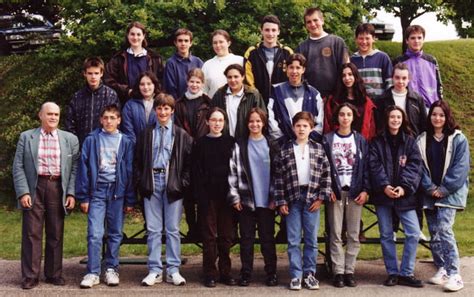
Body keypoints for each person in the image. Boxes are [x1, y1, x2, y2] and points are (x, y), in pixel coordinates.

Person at [13, 102, 79, 289]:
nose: (53, 118)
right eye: (49, 114)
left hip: (58, 187)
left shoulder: (70, 139)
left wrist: (71, 193)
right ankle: (30, 276)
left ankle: (53, 274)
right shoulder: (27, 137)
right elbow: (18, 166)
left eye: (56, 114)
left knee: (55, 232)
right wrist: (23, 191)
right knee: (31, 232)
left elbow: (74, 169)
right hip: (35, 186)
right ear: (40, 115)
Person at [135, 93, 193, 287]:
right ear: (155, 110)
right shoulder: (146, 133)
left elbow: (188, 164)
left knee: (173, 229)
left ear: (172, 111)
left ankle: (174, 270)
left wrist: (181, 183)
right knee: (153, 229)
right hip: (152, 182)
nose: (162, 112)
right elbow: (137, 162)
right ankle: (154, 270)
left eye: (166, 108)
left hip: (172, 184)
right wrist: (141, 180)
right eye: (159, 108)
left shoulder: (181, 134)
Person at [76, 105, 135, 288]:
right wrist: (84, 197)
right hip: (97, 192)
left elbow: (130, 171)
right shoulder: (92, 140)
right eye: (106, 118)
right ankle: (92, 272)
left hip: (118, 192)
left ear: (119, 120)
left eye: (113, 118)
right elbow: (83, 169)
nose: (109, 121)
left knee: (115, 233)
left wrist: (130, 198)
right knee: (95, 233)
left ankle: (111, 269)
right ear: (101, 120)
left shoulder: (125, 141)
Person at [274, 111, 331, 291]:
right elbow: (279, 178)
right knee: (293, 239)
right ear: (293, 127)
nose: (301, 129)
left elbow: (326, 174)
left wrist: (321, 197)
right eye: (298, 125)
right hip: (292, 197)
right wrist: (281, 201)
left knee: (311, 240)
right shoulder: (285, 149)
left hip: (312, 197)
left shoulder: (318, 148)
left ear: (311, 128)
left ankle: (309, 274)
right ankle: (296, 275)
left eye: (305, 126)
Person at [369, 105, 424, 288]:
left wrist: (404, 187)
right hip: (383, 196)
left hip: (405, 196)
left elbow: (415, 166)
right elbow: (374, 165)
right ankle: (392, 272)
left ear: (403, 120)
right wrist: (384, 185)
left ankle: (406, 272)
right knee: (386, 234)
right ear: (387, 119)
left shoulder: (409, 142)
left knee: (413, 232)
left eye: (398, 117)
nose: (395, 120)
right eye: (392, 117)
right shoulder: (376, 142)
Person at [417, 100, 470, 292]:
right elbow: (419, 168)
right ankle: (442, 269)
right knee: (434, 232)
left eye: (441, 115)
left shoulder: (458, 139)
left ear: (447, 117)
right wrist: (430, 188)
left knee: (444, 229)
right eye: (434, 114)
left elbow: (461, 168)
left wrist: (444, 189)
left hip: (450, 194)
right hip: (430, 193)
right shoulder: (422, 139)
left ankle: (455, 274)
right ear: (429, 116)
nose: (437, 118)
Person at [228, 107, 278, 287]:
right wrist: (235, 198)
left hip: (267, 202)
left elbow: (277, 174)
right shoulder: (240, 145)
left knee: (267, 239)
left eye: (258, 121)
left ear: (264, 123)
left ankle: (271, 272)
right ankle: (246, 273)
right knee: (246, 240)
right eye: (251, 121)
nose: (254, 124)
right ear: (246, 123)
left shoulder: (271, 144)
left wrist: (275, 198)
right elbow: (233, 173)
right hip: (246, 200)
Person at [322, 103, 369, 288]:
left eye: (349, 114)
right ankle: (338, 271)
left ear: (353, 117)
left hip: (355, 191)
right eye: (342, 114)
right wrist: (328, 189)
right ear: (337, 117)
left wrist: (365, 190)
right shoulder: (328, 139)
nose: (345, 118)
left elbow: (366, 168)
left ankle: (350, 270)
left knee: (353, 233)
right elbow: (324, 167)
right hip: (336, 192)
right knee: (335, 233)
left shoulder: (360, 140)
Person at [192, 107, 236, 287]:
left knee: (226, 236)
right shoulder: (200, 143)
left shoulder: (231, 142)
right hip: (207, 197)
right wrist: (201, 196)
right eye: (214, 120)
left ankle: (225, 271)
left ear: (224, 123)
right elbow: (196, 172)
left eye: (220, 120)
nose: (217, 123)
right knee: (209, 236)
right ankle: (210, 272)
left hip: (226, 196)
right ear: (207, 122)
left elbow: (236, 169)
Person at [174, 68, 211, 239]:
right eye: (192, 81)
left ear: (202, 84)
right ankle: (192, 228)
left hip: (204, 152)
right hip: (185, 151)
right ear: (187, 82)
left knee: (203, 194)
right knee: (187, 193)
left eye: (198, 82)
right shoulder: (178, 103)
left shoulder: (209, 103)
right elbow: (177, 125)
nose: (194, 85)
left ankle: (203, 228)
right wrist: (188, 142)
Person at [104, 21, 164, 106]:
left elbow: (162, 80)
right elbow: (108, 80)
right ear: (128, 36)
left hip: (151, 104)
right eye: (132, 34)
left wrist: (153, 93)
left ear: (143, 36)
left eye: (138, 34)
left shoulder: (155, 58)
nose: (135, 37)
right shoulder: (118, 58)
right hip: (126, 103)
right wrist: (127, 91)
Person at [268, 53, 324, 142]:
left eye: (298, 68)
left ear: (303, 70)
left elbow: (320, 121)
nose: (294, 71)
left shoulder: (313, 93)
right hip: (284, 144)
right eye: (291, 67)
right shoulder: (277, 91)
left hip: (308, 143)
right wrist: (281, 139)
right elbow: (270, 117)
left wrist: (309, 139)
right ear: (286, 69)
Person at [296, 7, 349, 98]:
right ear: (305, 25)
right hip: (310, 97)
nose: (312, 24)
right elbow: (298, 75)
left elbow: (346, 69)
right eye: (309, 22)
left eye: (315, 20)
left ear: (322, 20)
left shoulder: (337, 42)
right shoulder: (302, 47)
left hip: (335, 97)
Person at [66, 57, 120, 146]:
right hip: (82, 146)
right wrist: (76, 144)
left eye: (96, 73)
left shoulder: (110, 95)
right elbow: (70, 123)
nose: (93, 77)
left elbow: (116, 122)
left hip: (105, 146)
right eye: (90, 73)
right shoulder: (77, 96)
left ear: (101, 73)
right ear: (85, 74)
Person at [244, 15, 293, 105]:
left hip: (282, 101)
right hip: (258, 102)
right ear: (261, 31)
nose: (270, 34)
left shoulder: (287, 52)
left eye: (273, 30)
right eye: (267, 30)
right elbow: (248, 79)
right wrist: (256, 97)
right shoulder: (251, 52)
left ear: (278, 32)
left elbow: (293, 76)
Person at [211, 64, 266, 139]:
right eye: (229, 77)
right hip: (224, 140)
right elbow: (212, 116)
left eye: (236, 76)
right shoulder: (219, 94)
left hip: (247, 140)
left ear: (243, 77)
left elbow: (262, 117)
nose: (233, 80)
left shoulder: (253, 94)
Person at [393, 25, 443, 109]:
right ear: (406, 40)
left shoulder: (432, 60)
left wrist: (440, 104)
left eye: (419, 38)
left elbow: (439, 85)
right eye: (412, 38)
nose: (416, 41)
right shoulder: (399, 61)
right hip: (408, 108)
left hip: (430, 108)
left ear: (423, 40)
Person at [324, 62, 377, 141]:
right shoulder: (333, 100)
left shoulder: (365, 101)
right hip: (338, 143)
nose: (347, 78)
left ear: (355, 76)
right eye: (343, 75)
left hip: (361, 143)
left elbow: (371, 128)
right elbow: (328, 125)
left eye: (350, 74)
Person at [375, 63, 427, 136]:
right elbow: (378, 124)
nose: (400, 81)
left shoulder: (417, 99)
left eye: (404, 78)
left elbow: (424, 123)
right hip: (388, 142)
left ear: (409, 79)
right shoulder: (382, 99)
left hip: (412, 141)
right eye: (397, 77)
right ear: (392, 78)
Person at [350, 23, 393, 98]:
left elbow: (389, 82)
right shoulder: (352, 60)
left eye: (367, 38)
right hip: (358, 103)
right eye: (361, 38)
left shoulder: (382, 57)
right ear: (356, 39)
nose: (364, 42)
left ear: (373, 39)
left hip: (379, 104)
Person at [163, 28, 204, 100]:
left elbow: (203, 85)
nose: (183, 43)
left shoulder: (198, 62)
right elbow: (170, 88)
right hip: (178, 104)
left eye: (186, 41)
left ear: (190, 43)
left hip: (197, 103)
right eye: (180, 41)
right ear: (175, 43)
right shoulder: (171, 63)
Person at [202, 30, 243, 98]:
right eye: (215, 43)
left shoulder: (240, 61)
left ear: (228, 43)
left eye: (221, 42)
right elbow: (204, 90)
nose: (218, 45)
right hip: (214, 106)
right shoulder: (207, 65)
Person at [121, 71, 159, 144]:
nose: (146, 87)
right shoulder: (129, 105)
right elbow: (128, 131)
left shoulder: (162, 104)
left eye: (149, 84)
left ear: (154, 85)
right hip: (135, 149)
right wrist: (138, 149)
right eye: (142, 84)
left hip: (157, 149)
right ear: (138, 86)